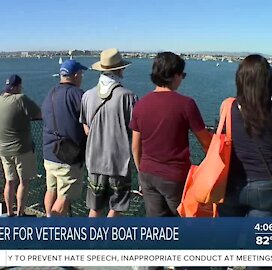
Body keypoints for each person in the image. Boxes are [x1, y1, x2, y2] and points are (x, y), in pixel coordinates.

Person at [130, 52, 212, 217]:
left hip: (147, 174)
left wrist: (141, 172)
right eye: (183, 75)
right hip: (175, 177)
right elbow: (206, 143)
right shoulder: (186, 104)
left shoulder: (140, 104)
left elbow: (135, 146)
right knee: (185, 220)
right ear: (175, 75)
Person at [218, 54, 272, 219]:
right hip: (268, 186)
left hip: (231, 185)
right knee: (260, 240)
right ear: (269, 81)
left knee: (226, 238)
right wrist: (271, 99)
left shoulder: (228, 107)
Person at [80, 48, 138, 217]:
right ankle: (106, 241)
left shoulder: (87, 96)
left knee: (95, 208)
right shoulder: (128, 97)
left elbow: (86, 128)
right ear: (119, 69)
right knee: (116, 207)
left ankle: (91, 241)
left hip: (94, 161)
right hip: (118, 163)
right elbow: (135, 131)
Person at [42, 60, 87, 216]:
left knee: (51, 190)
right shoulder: (78, 95)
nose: (82, 77)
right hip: (68, 156)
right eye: (81, 74)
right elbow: (89, 122)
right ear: (75, 75)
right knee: (64, 198)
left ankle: (48, 217)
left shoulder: (51, 93)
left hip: (49, 153)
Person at [0, 75, 41, 216]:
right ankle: (20, 212)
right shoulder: (20, 99)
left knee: (9, 181)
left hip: (3, 149)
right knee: (24, 182)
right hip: (21, 149)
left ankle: (10, 212)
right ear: (18, 86)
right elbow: (38, 112)